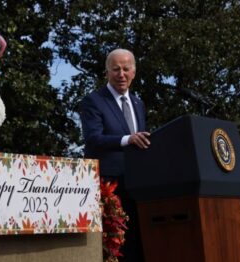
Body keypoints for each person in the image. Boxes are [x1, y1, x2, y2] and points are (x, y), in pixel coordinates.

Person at [79, 48, 150, 262]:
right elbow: (93, 139)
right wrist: (128, 139)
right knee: (115, 248)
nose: (121, 74)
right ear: (107, 72)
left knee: (137, 244)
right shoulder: (93, 101)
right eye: (116, 69)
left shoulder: (138, 103)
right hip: (109, 185)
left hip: (137, 185)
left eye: (126, 69)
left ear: (134, 72)